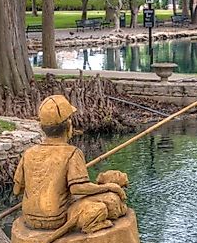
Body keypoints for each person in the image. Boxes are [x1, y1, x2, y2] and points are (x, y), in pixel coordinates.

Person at [13, 94, 126, 233]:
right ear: (69, 126)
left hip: (29, 217)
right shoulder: (72, 153)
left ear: (42, 127)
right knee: (108, 199)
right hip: (57, 218)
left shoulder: (28, 153)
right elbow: (78, 189)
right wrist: (109, 187)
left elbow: (17, 190)